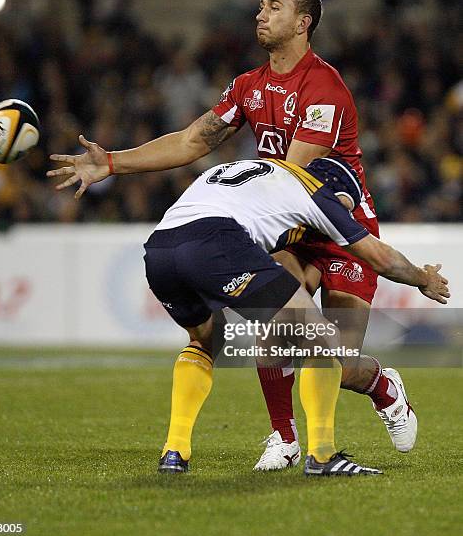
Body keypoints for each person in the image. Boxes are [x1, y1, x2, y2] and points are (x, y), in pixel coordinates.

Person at [47, 0, 417, 471]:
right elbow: (191, 141)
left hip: (340, 229)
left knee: (336, 360)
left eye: (274, 7)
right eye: (261, 5)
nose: (260, 14)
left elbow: (292, 178)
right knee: (278, 330)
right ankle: (285, 438)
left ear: (303, 23)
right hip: (289, 228)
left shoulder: (324, 88)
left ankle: (381, 384)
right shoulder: (248, 86)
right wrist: (111, 162)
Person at [141, 157, 448, 475]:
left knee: (207, 339)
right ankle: (322, 456)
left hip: (161, 252)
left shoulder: (260, 170)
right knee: (323, 338)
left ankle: (175, 451)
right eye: (345, 204)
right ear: (335, 192)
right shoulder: (317, 193)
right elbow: (382, 259)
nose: (344, 211)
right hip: (216, 242)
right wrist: (424, 279)